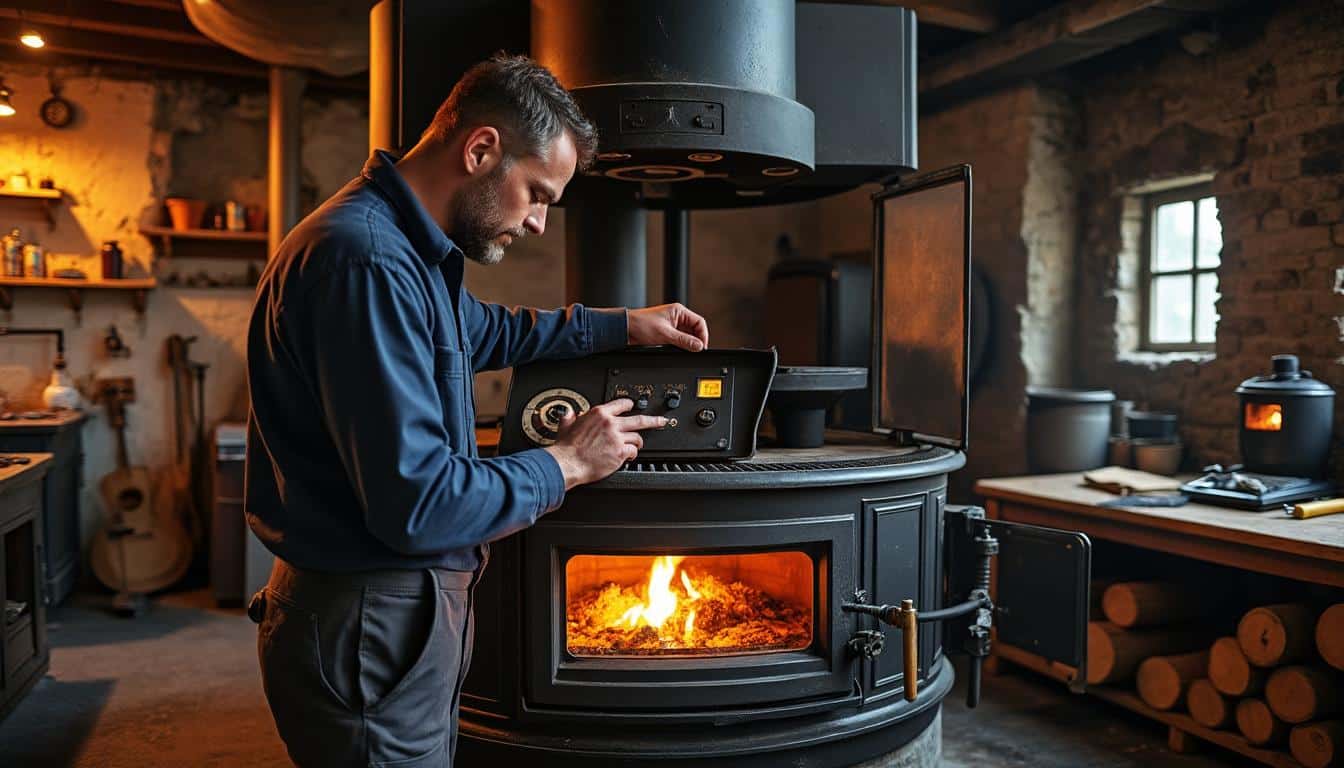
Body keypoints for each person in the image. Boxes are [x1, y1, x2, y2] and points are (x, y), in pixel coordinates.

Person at [244, 53, 710, 767]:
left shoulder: (403, 252)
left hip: (385, 616)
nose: (538, 224)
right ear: (481, 148)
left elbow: (488, 331)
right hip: (369, 621)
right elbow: (421, 504)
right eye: (537, 194)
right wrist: (567, 463)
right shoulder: (366, 261)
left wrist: (624, 325)